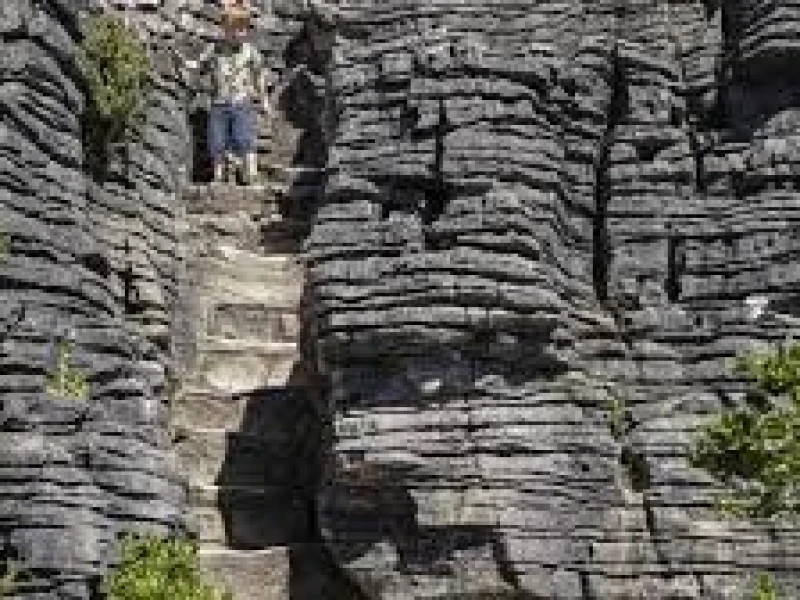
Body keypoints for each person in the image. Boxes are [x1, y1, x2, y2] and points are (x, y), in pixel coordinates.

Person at [186, 0, 269, 184]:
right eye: (233, 29)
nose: (238, 34)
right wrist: (189, 66)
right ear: (224, 29)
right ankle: (218, 174)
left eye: (242, 29)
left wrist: (264, 100)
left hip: (242, 102)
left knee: (245, 139)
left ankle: (251, 173)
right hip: (219, 103)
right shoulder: (214, 50)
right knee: (217, 141)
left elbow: (259, 77)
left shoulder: (250, 52)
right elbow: (199, 65)